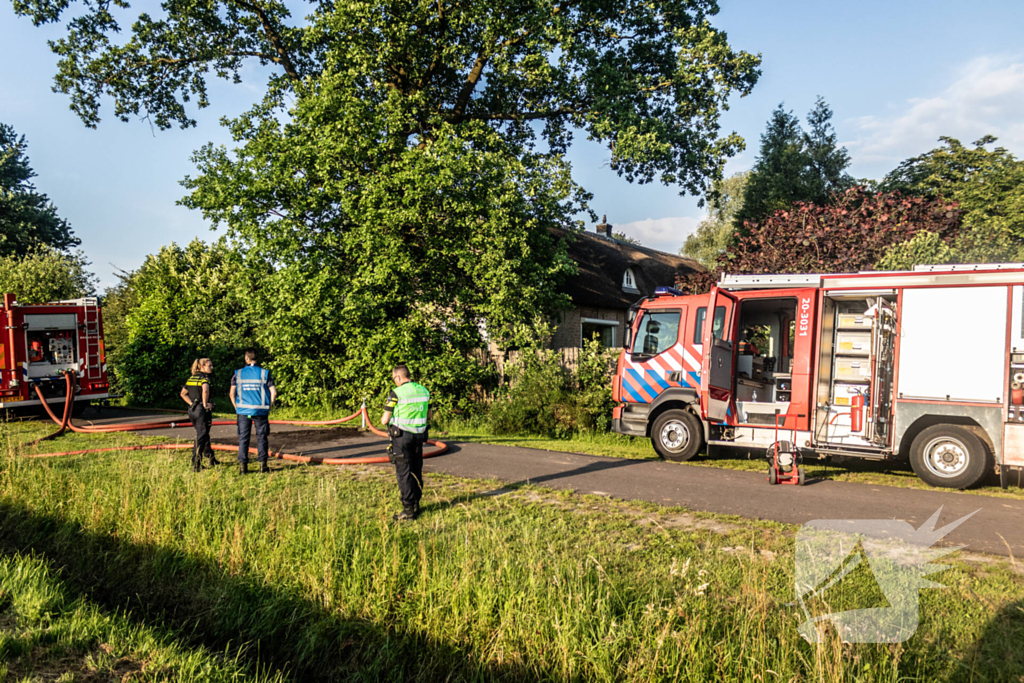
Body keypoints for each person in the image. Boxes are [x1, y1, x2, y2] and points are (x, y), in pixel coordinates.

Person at [380, 365, 431, 521]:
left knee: (404, 472)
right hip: (419, 436)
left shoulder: (396, 393)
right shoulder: (424, 391)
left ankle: (408, 510)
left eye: (393, 379)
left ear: (398, 377)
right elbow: (428, 415)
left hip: (402, 437)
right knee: (416, 470)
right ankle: (416, 504)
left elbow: (384, 420)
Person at [229, 348, 277, 475]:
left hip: (243, 411)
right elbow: (274, 392)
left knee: (243, 438)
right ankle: (263, 466)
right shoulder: (264, 373)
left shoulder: (238, 373)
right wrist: (269, 406)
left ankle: (243, 468)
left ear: (246, 357)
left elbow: (231, 393)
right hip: (261, 411)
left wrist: (236, 407)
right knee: (262, 438)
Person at [180, 358, 218, 472]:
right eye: (209, 366)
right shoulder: (205, 379)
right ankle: (196, 463)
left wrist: (192, 403)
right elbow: (205, 390)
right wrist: (206, 404)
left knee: (203, 433)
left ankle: (211, 457)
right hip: (202, 410)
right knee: (201, 436)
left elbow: (183, 393)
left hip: (192, 410)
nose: (212, 368)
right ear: (202, 367)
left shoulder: (191, 378)